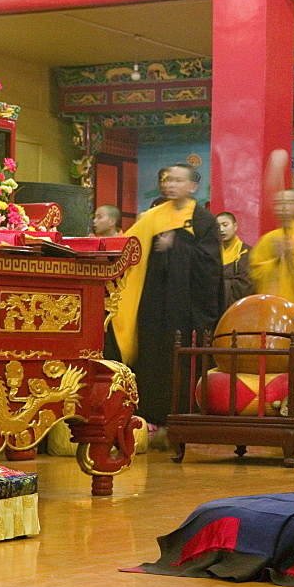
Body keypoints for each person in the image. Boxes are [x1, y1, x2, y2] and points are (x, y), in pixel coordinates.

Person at [112, 163, 224, 429]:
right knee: (151, 357)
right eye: (166, 180)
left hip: (187, 308)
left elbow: (211, 268)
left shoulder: (203, 220)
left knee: (182, 361)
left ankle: (184, 416)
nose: (169, 185)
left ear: (192, 186)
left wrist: (178, 245)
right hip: (153, 302)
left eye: (176, 180)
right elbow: (128, 248)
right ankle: (149, 415)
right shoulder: (152, 217)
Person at [248, 189, 294, 307]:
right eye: (278, 203)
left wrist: (291, 256)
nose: (282, 207)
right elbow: (255, 273)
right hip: (273, 306)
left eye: (288, 202)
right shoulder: (268, 239)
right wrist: (276, 261)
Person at [217, 211, 255, 308]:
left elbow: (245, 286)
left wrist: (218, 284)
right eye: (218, 226)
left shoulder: (246, 253)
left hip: (239, 309)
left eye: (225, 225)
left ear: (235, 226)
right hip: (216, 308)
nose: (221, 230)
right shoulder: (213, 253)